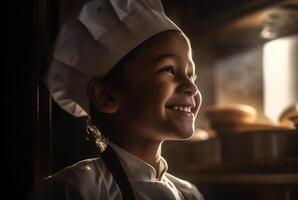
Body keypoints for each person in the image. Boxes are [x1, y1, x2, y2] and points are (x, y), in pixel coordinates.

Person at [26, 0, 204, 199]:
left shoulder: (189, 194)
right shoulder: (72, 191)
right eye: (168, 69)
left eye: (190, 74)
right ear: (107, 96)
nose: (192, 87)